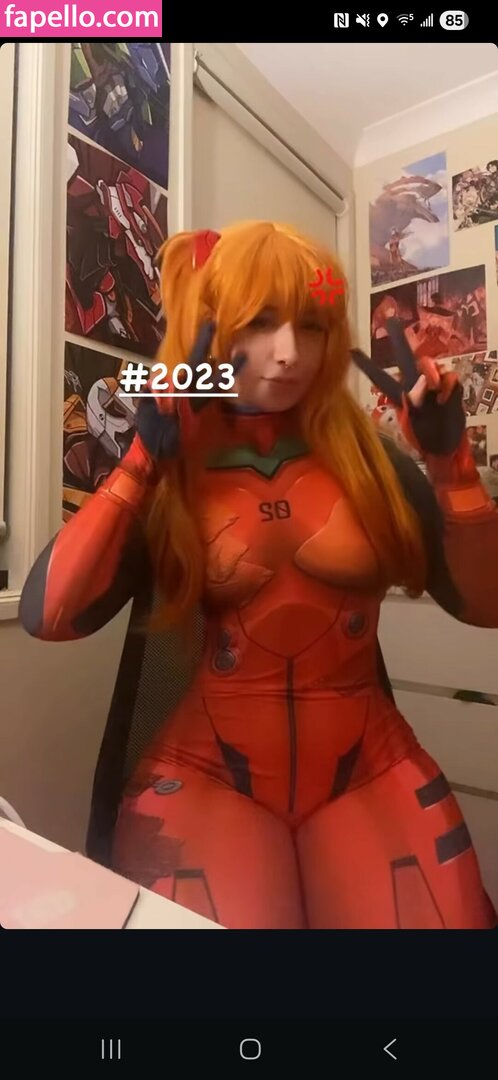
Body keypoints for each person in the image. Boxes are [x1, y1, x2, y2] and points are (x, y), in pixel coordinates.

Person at [19, 221, 498, 930]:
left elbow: (487, 606)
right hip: (209, 775)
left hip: (369, 764)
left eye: (312, 326)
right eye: (260, 322)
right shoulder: (175, 465)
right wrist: (141, 463)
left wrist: (452, 469)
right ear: (209, 329)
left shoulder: (368, 459)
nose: (289, 354)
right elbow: (50, 617)